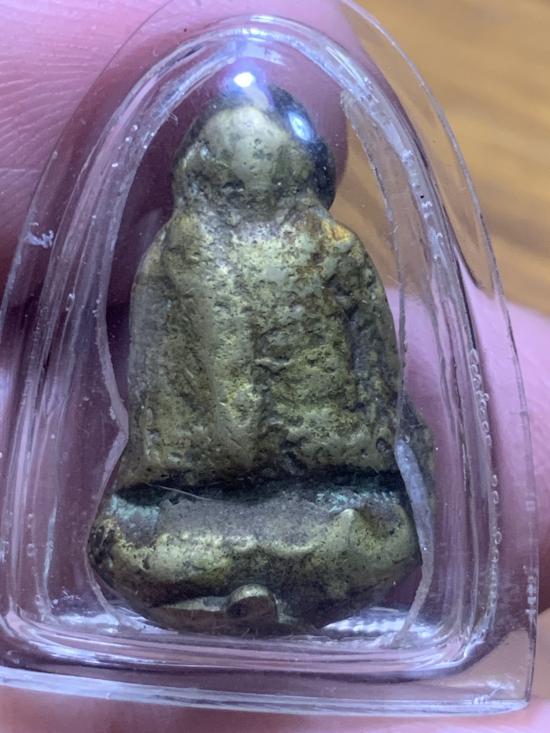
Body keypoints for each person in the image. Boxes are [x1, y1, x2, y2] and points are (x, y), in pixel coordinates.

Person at [0, 1, 549, 730]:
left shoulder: (333, 252)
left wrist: (391, 448)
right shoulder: (170, 259)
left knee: (375, 534)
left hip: (327, 481)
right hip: (190, 491)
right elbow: (149, 399)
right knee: (128, 547)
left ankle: (249, 580)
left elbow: (376, 373)